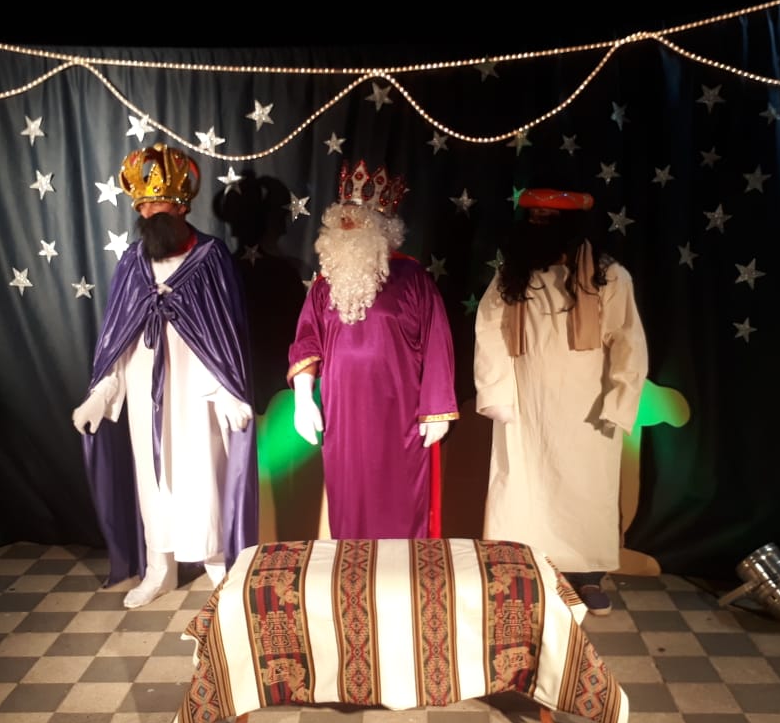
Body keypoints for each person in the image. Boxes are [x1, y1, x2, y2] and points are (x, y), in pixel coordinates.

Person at [72, 142, 259, 608]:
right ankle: (159, 569)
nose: (152, 210)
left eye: (161, 202)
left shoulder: (211, 257)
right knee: (153, 481)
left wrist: (229, 391)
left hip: (200, 394)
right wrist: (102, 392)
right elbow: (117, 336)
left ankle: (218, 566)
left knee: (204, 477)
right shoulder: (132, 261)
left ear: (181, 205)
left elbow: (227, 333)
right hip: (144, 394)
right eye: (145, 204)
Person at [473, 187, 648, 616]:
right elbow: (490, 330)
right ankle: (523, 571)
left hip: (588, 408)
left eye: (550, 220)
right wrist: (496, 393)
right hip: (526, 404)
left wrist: (620, 399)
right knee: (522, 487)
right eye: (535, 219)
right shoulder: (513, 276)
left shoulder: (609, 277)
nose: (541, 227)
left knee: (585, 489)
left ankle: (587, 576)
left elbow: (628, 340)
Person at [287, 159, 459, 539]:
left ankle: (403, 571)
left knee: (401, 503)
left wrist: (437, 411)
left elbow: (438, 344)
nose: (347, 223)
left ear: (382, 227)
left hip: (400, 415)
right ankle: (354, 571)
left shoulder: (413, 279)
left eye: (358, 217)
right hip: (343, 416)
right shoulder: (324, 286)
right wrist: (302, 397)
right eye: (343, 217)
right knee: (350, 502)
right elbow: (307, 339)